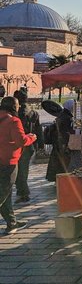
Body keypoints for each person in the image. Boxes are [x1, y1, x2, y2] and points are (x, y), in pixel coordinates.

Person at [0, 97, 36, 234]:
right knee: (3, 193)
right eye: (17, 105)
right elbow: (21, 141)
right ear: (14, 107)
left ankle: (11, 223)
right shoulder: (13, 121)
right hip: (8, 162)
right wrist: (31, 137)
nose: (19, 106)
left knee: (6, 193)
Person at [13, 90, 43, 204]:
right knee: (23, 170)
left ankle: (23, 193)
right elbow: (39, 130)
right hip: (30, 144)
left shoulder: (17, 113)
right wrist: (41, 144)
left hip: (20, 144)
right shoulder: (33, 112)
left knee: (19, 170)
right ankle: (21, 191)